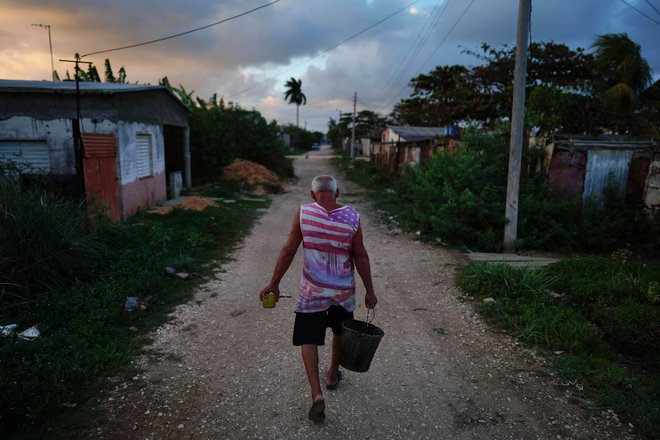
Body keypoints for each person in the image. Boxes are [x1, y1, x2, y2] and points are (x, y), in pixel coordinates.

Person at [259, 175, 378, 423]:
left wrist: (274, 283)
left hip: (312, 292)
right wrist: (370, 290)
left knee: (308, 339)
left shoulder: (304, 213)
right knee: (339, 333)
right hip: (342, 291)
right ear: (338, 193)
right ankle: (333, 375)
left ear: (313, 194)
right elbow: (361, 255)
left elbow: (289, 250)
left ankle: (316, 395)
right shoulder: (352, 217)